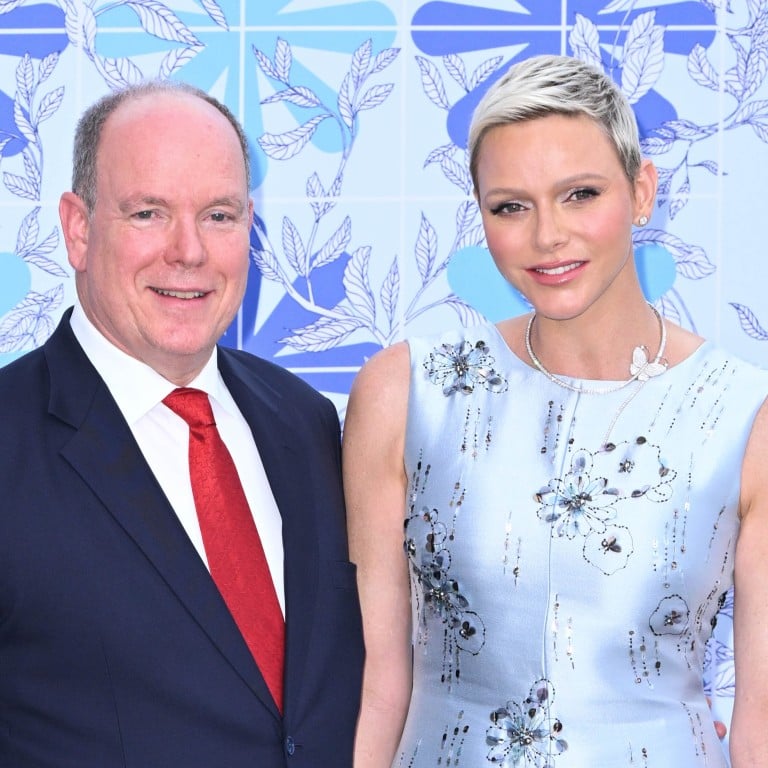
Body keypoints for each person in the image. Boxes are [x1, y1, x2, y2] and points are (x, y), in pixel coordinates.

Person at [343, 54, 768, 767]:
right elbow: (379, 685)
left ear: (641, 191)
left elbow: (760, 725)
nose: (548, 236)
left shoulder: (743, 418)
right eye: (511, 206)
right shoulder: (407, 394)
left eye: (580, 194)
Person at [0, 80, 363, 767]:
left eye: (219, 215)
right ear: (78, 229)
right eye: (148, 213)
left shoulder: (306, 421)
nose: (189, 250)